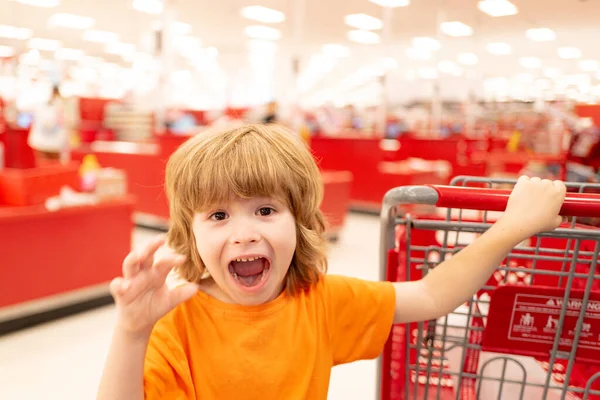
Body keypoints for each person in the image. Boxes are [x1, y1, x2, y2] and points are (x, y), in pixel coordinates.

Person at [97, 124, 566, 400]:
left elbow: (430, 294)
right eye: (218, 215)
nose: (245, 232)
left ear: (299, 221)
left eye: (265, 210)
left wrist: (512, 226)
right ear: (190, 234)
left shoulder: (318, 299)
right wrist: (132, 332)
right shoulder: (175, 322)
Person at [27, 85, 69, 166]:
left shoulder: (60, 106)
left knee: (52, 168)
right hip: (42, 143)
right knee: (44, 166)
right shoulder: (42, 105)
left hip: (54, 144)